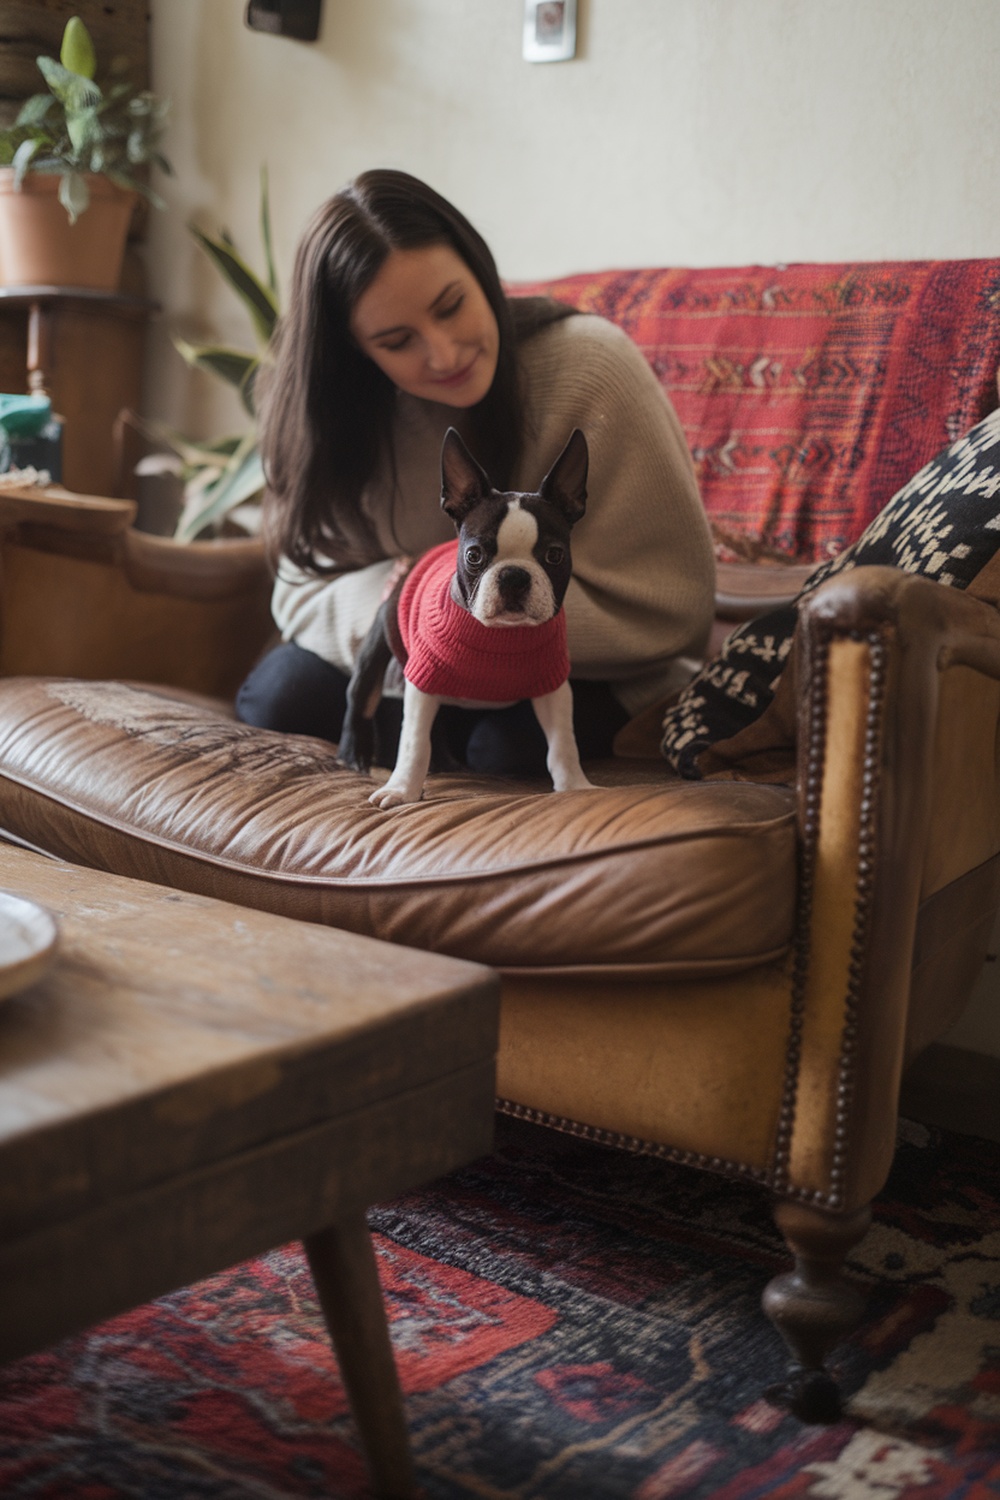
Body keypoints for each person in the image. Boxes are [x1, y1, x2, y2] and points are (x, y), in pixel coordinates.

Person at [237, 169, 716, 775]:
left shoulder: (591, 367)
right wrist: (423, 606)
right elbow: (301, 589)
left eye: (452, 306)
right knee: (281, 693)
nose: (444, 353)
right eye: (397, 340)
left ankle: (449, 748)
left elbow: (675, 604)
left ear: (481, 271)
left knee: (506, 749)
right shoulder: (325, 417)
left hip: (585, 666)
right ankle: (438, 744)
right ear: (355, 350)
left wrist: (485, 620)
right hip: (416, 647)